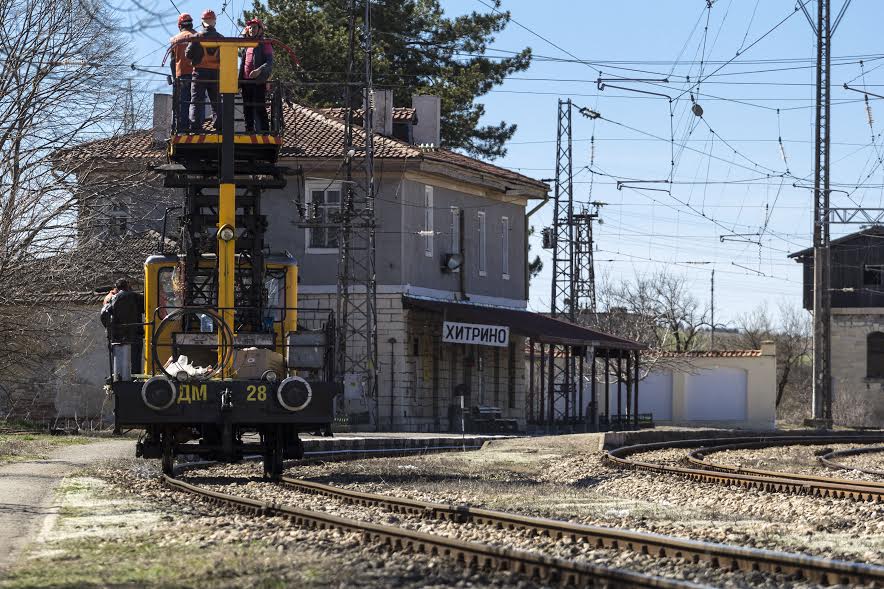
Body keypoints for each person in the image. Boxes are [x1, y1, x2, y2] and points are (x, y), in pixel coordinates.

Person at [186, 10, 224, 132]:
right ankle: (219, 125)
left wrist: (196, 57)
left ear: (203, 23)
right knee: (216, 100)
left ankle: (196, 126)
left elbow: (188, 54)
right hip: (215, 73)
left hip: (200, 73)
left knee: (197, 100)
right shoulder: (221, 38)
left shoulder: (197, 37)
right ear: (215, 22)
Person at [101, 279, 145, 376]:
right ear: (128, 286)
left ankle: (119, 377)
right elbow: (147, 309)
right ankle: (136, 377)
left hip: (118, 337)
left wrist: (110, 330)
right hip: (135, 334)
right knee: (136, 360)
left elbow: (104, 314)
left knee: (119, 361)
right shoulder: (137, 297)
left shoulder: (113, 298)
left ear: (117, 288)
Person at [239, 18, 274, 133]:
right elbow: (243, 63)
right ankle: (249, 130)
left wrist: (259, 70)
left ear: (260, 30)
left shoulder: (265, 43)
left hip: (258, 82)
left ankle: (264, 132)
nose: (251, 30)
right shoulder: (248, 44)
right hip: (246, 82)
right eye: (250, 28)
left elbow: (269, 62)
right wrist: (239, 81)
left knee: (259, 107)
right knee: (247, 108)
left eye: (254, 27)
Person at [169, 13, 197, 132]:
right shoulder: (198, 37)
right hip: (197, 75)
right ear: (191, 24)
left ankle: (181, 128)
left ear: (179, 26)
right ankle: (195, 127)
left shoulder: (175, 39)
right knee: (196, 102)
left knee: (182, 103)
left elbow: (172, 61)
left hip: (181, 76)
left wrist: (175, 77)